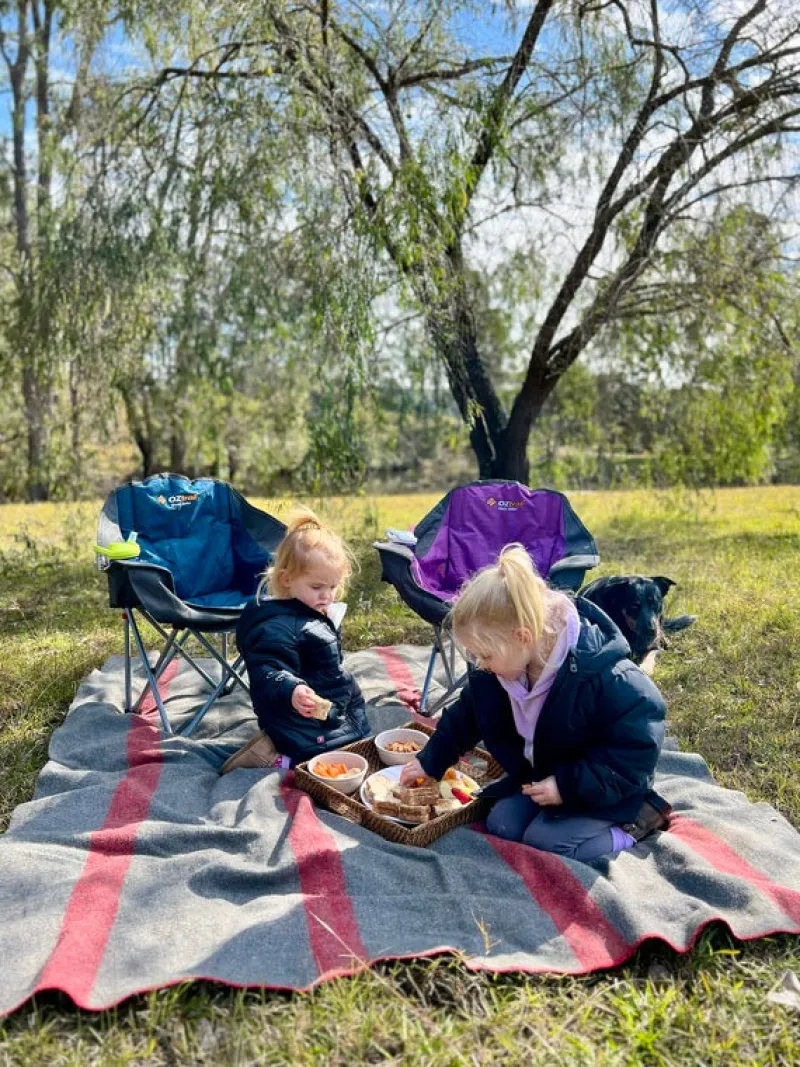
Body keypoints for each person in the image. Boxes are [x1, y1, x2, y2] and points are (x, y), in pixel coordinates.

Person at [399, 544, 671, 860]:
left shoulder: (608, 678)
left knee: (547, 842)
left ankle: (638, 824)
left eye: (486, 655)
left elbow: (634, 752)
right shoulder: (505, 665)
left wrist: (566, 786)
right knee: (502, 823)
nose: (481, 665)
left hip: (606, 787)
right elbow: (467, 715)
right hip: (545, 772)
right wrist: (430, 760)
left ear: (523, 637)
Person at [221, 508, 370, 772]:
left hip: (326, 702)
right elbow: (267, 669)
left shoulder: (312, 611)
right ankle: (272, 757)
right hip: (297, 714)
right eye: (317, 587)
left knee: (353, 742)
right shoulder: (276, 627)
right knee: (317, 757)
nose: (327, 595)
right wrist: (292, 690)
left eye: (333, 586)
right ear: (286, 579)